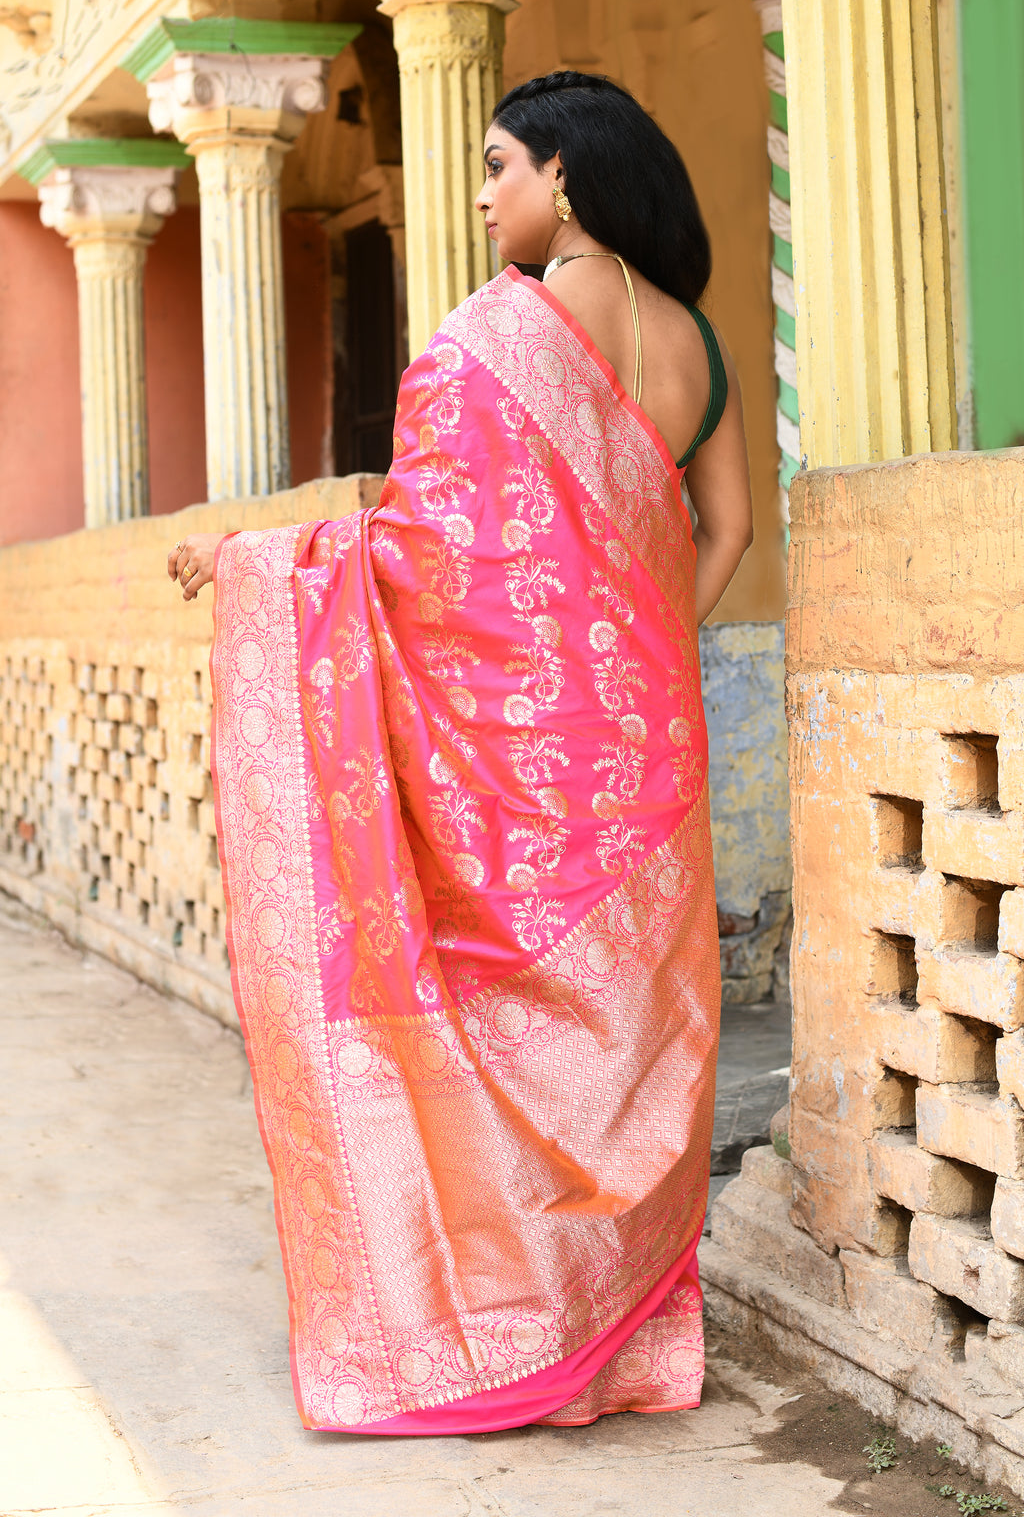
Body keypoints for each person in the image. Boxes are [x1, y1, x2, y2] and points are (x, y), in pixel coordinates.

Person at [168, 71, 753, 1434]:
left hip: (532, 760)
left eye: (500, 166)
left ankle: (512, 1344)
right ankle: (613, 1343)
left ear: (568, 175)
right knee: (619, 1040)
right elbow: (716, 534)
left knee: (501, 1023)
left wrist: (249, 561)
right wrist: (634, 651)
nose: (485, 193)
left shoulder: (517, 329)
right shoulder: (699, 345)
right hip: (646, 750)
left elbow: (432, 554)